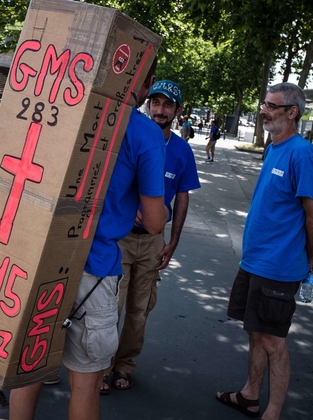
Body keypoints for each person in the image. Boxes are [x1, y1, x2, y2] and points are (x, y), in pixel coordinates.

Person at [9, 58, 168, 420]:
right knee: (85, 384)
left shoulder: (65, 110)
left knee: (29, 367)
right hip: (95, 270)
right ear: (148, 84)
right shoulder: (145, 134)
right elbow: (155, 222)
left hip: (42, 257)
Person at [215, 82, 313, 420]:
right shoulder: (274, 147)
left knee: (273, 341)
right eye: (263, 103)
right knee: (256, 331)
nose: (262, 110)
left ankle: (273, 411)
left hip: (278, 267)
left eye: (271, 106)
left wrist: (308, 258)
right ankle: (250, 395)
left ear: (292, 112)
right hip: (255, 262)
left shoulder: (304, 154)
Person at [102, 80, 200, 393]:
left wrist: (173, 241)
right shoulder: (130, 134)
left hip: (153, 242)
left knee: (139, 310)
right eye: (155, 103)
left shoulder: (182, 150)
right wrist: (127, 209)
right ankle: (100, 368)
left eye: (167, 105)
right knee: (109, 306)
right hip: (121, 238)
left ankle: (124, 366)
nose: (159, 110)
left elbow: (182, 197)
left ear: (178, 110)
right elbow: (106, 177)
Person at [0, 123, 61, 420]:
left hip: (46, 231)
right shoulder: (12, 123)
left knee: (41, 303)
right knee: (8, 303)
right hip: (13, 230)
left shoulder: (68, 122)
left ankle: (34, 367)